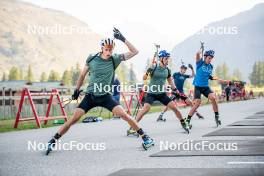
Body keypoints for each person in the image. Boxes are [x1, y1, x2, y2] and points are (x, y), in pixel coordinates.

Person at [46, 28, 154, 155]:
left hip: (105, 97)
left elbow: (135, 51)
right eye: (107, 49)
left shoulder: (115, 59)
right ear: (102, 48)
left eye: (111, 49)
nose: (109, 51)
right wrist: (76, 90)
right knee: (73, 119)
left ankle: (145, 137)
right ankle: (53, 140)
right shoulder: (92, 58)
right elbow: (82, 75)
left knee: (124, 115)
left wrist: (122, 38)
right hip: (90, 96)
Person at [128, 50, 190, 135]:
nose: (167, 60)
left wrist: (176, 90)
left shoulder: (167, 70)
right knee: (146, 109)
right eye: (166, 58)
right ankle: (132, 127)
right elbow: (144, 78)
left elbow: (170, 82)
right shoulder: (154, 67)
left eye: (168, 59)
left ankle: (184, 124)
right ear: (161, 59)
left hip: (161, 94)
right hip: (151, 93)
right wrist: (147, 71)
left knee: (175, 108)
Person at [185, 49, 229, 127]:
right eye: (209, 58)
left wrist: (223, 80)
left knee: (213, 97)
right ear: (205, 57)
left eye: (211, 58)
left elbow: (210, 76)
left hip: (205, 87)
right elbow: (197, 54)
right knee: (197, 103)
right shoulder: (200, 63)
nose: (210, 60)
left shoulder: (210, 66)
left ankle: (217, 116)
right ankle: (187, 120)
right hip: (198, 87)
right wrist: (200, 50)